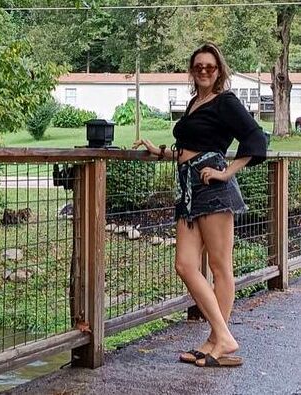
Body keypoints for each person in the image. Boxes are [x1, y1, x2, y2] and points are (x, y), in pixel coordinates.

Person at [132, 43, 267, 368]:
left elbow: (257, 140)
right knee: (185, 265)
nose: (204, 70)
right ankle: (218, 337)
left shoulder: (226, 101)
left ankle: (219, 339)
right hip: (188, 187)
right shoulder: (195, 102)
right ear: (193, 71)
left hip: (212, 189)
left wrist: (226, 172)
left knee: (220, 267)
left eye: (210, 66)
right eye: (198, 66)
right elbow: (191, 146)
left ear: (219, 71)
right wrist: (162, 153)